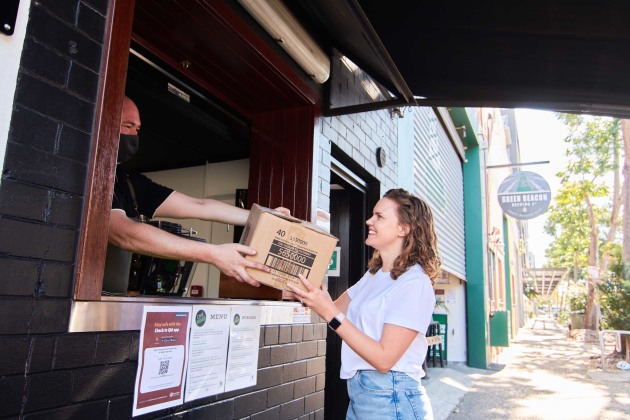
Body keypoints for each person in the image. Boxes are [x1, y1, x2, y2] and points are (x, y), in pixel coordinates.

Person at [104, 96, 288, 292]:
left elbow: (199, 205)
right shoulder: (94, 178)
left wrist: (263, 217)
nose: (133, 135)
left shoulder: (130, 182)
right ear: (106, 121)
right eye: (127, 126)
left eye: (137, 130)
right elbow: (124, 233)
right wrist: (214, 254)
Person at [288, 188, 441, 419]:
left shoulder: (415, 283)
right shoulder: (374, 275)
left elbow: (384, 359)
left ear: (404, 228)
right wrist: (303, 289)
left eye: (379, 216)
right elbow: (334, 308)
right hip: (362, 395)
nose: (369, 220)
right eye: (372, 215)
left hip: (391, 398)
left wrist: (329, 312)